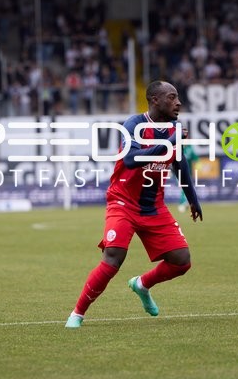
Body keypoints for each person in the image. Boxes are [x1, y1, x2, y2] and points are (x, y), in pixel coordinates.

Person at [65, 80, 203, 329]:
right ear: (154, 100)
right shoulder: (135, 124)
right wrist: (170, 141)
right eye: (172, 97)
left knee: (182, 260)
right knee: (114, 256)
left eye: (178, 98)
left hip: (154, 206)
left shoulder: (174, 128)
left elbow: (179, 165)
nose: (178, 102)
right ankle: (77, 313)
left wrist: (193, 199)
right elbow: (130, 159)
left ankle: (141, 284)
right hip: (123, 202)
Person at [177, 143, 199, 213]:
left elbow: (195, 159)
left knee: (185, 188)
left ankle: (184, 203)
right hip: (179, 172)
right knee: (183, 188)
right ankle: (184, 203)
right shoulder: (178, 147)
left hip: (188, 173)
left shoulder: (190, 148)